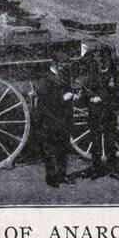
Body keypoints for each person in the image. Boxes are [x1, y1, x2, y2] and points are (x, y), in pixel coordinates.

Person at [82, 46, 119, 179]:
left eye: (103, 59)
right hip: (95, 112)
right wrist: (91, 98)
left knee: (110, 142)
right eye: (98, 59)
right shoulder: (92, 74)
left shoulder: (114, 75)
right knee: (95, 142)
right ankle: (96, 169)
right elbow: (85, 90)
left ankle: (114, 169)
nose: (101, 62)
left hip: (109, 112)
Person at [36, 60, 76, 188]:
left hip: (63, 118)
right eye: (60, 65)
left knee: (63, 148)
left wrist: (73, 96)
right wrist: (63, 98)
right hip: (50, 119)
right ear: (54, 65)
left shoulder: (63, 75)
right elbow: (45, 99)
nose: (62, 67)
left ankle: (62, 174)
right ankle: (51, 178)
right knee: (51, 149)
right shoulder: (45, 79)